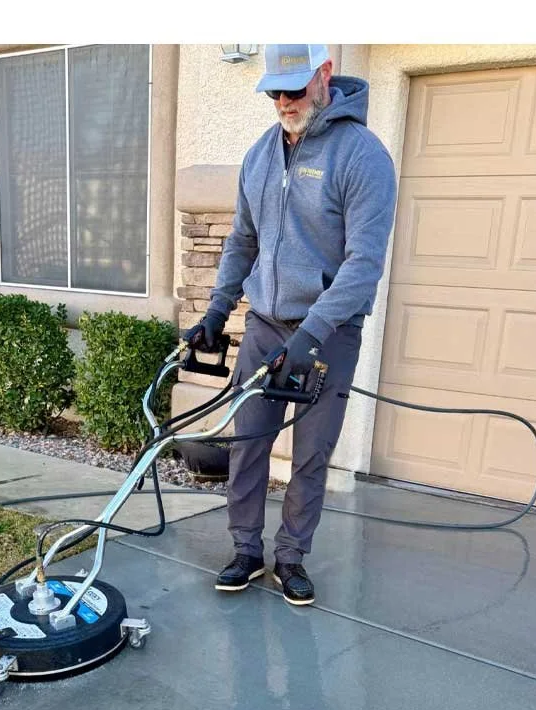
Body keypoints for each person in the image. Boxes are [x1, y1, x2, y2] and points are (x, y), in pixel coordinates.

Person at [184, 44, 397, 606]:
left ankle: (292, 558)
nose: (283, 102)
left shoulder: (362, 156)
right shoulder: (261, 155)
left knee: (310, 452)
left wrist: (313, 335)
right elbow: (242, 242)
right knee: (247, 442)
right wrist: (214, 310)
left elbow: (364, 263)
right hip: (264, 326)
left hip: (327, 334)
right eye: (274, 92)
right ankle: (246, 551)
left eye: (295, 89)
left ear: (324, 76)